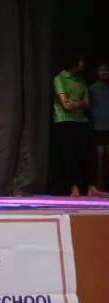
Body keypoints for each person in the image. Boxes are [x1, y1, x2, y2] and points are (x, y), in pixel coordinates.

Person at [51, 54, 93, 196]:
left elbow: (87, 102)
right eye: (81, 61)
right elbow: (65, 105)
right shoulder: (59, 78)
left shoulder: (81, 80)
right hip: (64, 120)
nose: (83, 64)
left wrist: (74, 103)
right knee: (69, 155)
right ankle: (72, 187)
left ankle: (89, 187)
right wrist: (77, 103)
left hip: (81, 120)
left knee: (85, 154)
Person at [90, 62, 109, 192]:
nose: (104, 72)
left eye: (106, 70)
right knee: (99, 158)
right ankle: (98, 186)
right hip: (97, 127)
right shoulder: (92, 88)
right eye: (101, 70)